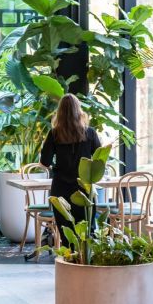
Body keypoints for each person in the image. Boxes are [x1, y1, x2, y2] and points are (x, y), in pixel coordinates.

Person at [40, 94, 101, 247]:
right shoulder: (90, 133)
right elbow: (100, 159)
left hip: (61, 188)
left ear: (59, 112)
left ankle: (70, 264)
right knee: (86, 233)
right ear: (79, 111)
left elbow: (45, 162)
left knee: (66, 234)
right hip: (84, 189)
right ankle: (85, 265)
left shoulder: (54, 134)